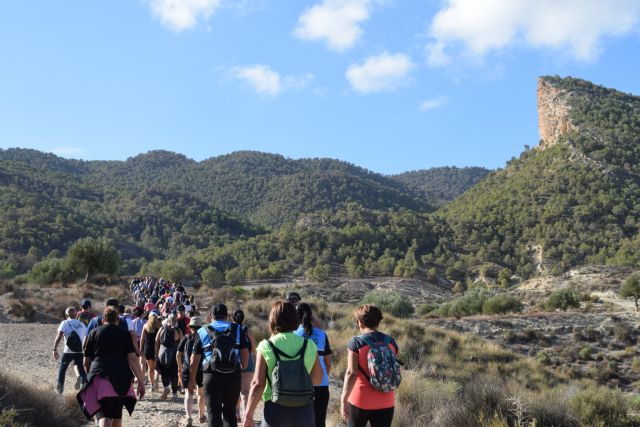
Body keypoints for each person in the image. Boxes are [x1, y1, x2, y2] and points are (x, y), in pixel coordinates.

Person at [242, 301, 323, 427]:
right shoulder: (309, 345)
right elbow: (317, 379)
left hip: (275, 411)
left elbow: (258, 384)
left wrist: (248, 415)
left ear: (273, 320)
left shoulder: (266, 346)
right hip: (304, 410)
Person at [78, 306, 145, 427]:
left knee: (104, 416)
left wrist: (90, 376)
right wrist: (141, 381)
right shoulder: (124, 334)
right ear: (117, 320)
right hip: (121, 379)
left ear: (103, 319)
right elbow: (133, 359)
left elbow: (86, 361)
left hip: (100, 377)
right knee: (117, 415)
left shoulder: (94, 333)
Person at [189, 303, 249, 427]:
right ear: (227, 316)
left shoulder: (202, 331)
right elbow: (244, 353)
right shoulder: (238, 329)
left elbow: (194, 360)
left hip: (211, 377)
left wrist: (192, 380)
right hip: (233, 376)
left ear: (211, 316)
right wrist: (242, 368)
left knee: (213, 414)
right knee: (230, 413)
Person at [340, 304, 399, 427]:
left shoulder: (356, 342)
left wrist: (343, 400)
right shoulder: (391, 342)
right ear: (378, 322)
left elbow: (352, 373)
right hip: (386, 401)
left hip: (360, 401)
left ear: (361, 322)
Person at [295, 303, 332, 427]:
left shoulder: (294, 335)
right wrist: (323, 375)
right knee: (319, 421)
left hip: (299, 385)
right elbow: (328, 362)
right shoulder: (322, 334)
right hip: (321, 384)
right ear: (311, 316)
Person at [177, 316, 207, 426]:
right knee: (201, 393)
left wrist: (180, 367)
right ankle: (201, 415)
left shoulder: (186, 337)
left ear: (190, 327)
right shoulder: (204, 338)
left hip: (186, 368)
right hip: (201, 368)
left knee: (188, 394)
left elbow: (178, 354)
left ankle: (189, 417)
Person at [53, 307, 88, 393]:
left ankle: (59, 391)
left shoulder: (64, 323)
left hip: (68, 351)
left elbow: (59, 335)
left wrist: (54, 348)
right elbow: (86, 338)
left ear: (66, 315)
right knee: (82, 371)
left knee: (62, 370)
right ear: (76, 315)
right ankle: (86, 392)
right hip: (80, 351)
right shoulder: (82, 324)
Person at [232, 309, 256, 422]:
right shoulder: (247, 330)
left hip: (234, 361)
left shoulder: (231, 330)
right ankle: (246, 414)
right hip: (248, 361)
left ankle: (237, 414)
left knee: (236, 389)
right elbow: (253, 348)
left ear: (232, 318)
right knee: (245, 390)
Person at [155, 313, 183, 399]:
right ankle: (174, 393)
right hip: (174, 353)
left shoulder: (162, 329)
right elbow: (182, 344)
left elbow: (156, 341)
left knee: (164, 372)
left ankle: (166, 387)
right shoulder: (178, 331)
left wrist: (156, 354)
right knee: (174, 373)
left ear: (168, 320)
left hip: (162, 353)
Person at [139, 312, 161, 391]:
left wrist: (141, 349)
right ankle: (156, 379)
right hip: (156, 348)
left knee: (150, 368)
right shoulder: (159, 326)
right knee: (156, 367)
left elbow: (142, 339)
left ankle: (152, 385)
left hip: (147, 348)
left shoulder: (145, 326)